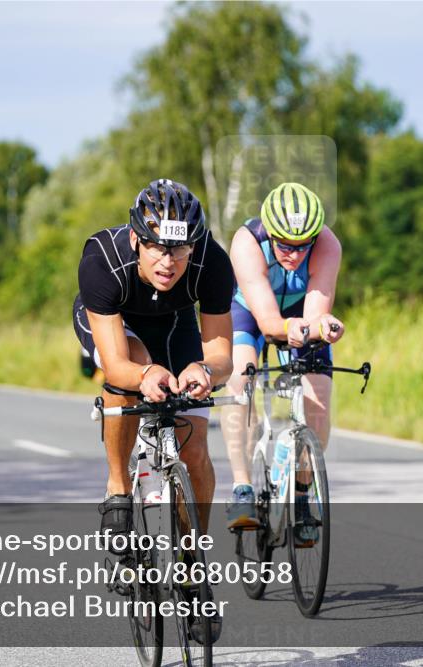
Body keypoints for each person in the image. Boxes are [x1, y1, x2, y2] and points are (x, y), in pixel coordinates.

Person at [72, 178, 234, 543]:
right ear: (136, 239)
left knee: (194, 449)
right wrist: (145, 373)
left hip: (175, 322)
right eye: (158, 248)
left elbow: (223, 357)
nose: (168, 262)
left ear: (194, 245)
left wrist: (205, 369)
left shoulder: (212, 262)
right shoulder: (102, 260)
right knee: (133, 363)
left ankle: (191, 553)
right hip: (116, 321)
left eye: (179, 250)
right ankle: (118, 487)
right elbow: (117, 367)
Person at [222, 182, 344, 545]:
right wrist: (290, 329)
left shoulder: (328, 244)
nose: (294, 254)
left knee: (318, 402)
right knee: (241, 381)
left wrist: (326, 327)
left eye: (303, 245)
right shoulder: (247, 242)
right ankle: (242, 487)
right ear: (270, 233)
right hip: (249, 310)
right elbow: (268, 322)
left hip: (299, 310)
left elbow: (315, 314)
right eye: (285, 245)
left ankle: (303, 495)